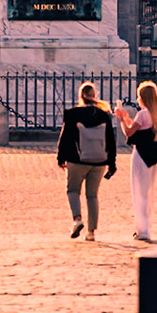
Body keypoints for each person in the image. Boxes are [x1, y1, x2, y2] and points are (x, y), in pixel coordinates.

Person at [57, 82, 118, 240]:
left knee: (73, 190)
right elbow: (111, 140)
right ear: (94, 95)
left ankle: (77, 219)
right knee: (92, 195)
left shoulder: (73, 114)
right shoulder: (104, 114)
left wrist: (60, 158)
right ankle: (91, 232)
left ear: (80, 95)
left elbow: (64, 137)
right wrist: (112, 162)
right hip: (99, 161)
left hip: (76, 159)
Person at [118, 80, 157, 241]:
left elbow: (129, 132)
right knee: (148, 191)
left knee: (139, 191)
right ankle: (146, 226)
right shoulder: (155, 114)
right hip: (151, 158)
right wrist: (127, 117)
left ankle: (142, 229)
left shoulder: (142, 114)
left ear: (143, 98)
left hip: (140, 155)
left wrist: (121, 118)